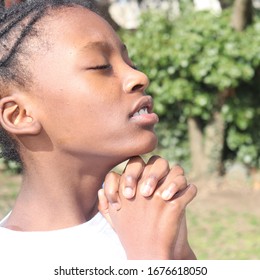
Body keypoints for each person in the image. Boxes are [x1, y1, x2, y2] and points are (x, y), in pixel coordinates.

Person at [0, 0, 197, 262]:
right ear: (20, 115)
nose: (139, 77)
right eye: (101, 66)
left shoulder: (140, 214)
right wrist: (149, 258)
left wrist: (177, 250)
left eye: (130, 62)